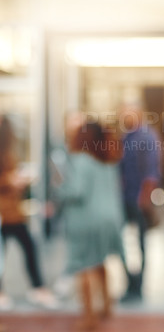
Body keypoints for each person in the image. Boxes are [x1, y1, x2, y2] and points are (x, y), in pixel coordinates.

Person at [55, 120, 125, 330]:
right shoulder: (108, 160)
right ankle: (106, 307)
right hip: (109, 218)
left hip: (85, 220)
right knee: (99, 262)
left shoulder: (80, 159)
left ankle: (89, 318)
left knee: (83, 266)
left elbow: (76, 191)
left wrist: (59, 189)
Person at [0, 115, 58, 310]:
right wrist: (10, 181)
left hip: (13, 212)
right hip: (4, 213)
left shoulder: (7, 151)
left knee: (28, 249)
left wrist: (19, 181)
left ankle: (37, 288)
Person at [118, 103, 161, 300]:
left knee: (140, 244)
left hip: (138, 200)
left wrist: (144, 199)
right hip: (125, 199)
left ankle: (137, 287)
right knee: (125, 244)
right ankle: (130, 283)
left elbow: (151, 173)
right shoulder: (126, 136)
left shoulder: (146, 136)